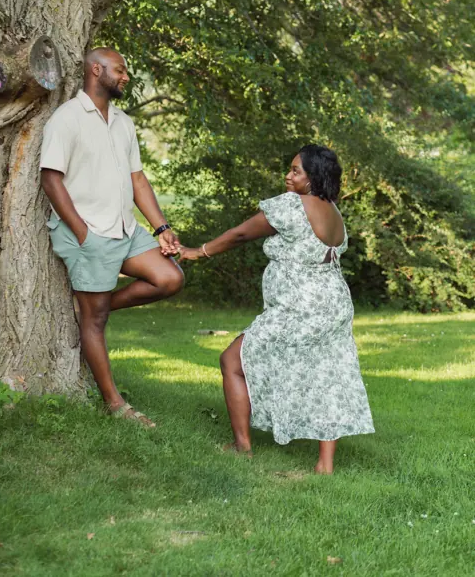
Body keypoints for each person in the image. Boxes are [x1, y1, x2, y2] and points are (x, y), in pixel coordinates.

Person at [179, 145, 374, 473]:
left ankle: (242, 447)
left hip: (299, 306)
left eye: (296, 170)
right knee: (329, 375)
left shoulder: (292, 205)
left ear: (313, 177)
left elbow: (241, 234)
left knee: (232, 361)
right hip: (334, 304)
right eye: (290, 168)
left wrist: (198, 252)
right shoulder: (334, 212)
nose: (288, 175)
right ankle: (324, 465)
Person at [40, 48, 184, 426]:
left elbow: (137, 179)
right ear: (96, 69)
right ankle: (116, 406)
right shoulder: (67, 118)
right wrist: (83, 233)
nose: (126, 77)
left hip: (124, 228)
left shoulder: (122, 121)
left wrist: (162, 228)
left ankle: (87, 308)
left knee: (170, 278)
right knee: (96, 321)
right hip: (87, 232)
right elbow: (50, 178)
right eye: (120, 70)